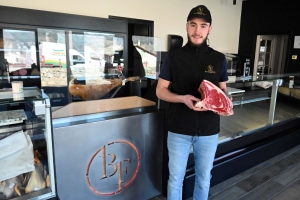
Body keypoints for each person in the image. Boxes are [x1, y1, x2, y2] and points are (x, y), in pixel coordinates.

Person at [156, 5, 231, 200]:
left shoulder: (219, 59)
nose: (198, 31)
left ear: (209, 29)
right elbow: (160, 91)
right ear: (187, 26)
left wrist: (225, 101)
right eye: (193, 25)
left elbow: (223, 90)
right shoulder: (173, 57)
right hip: (178, 129)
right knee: (175, 178)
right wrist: (182, 98)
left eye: (203, 26)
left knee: (204, 178)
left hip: (208, 130)